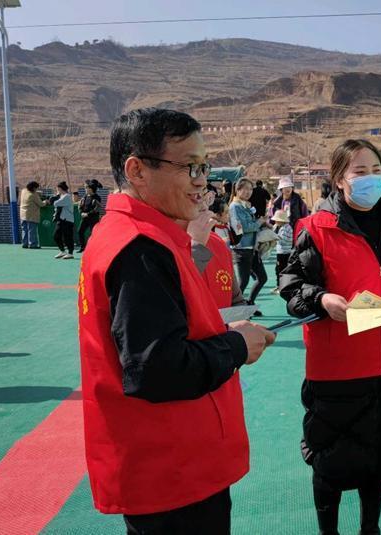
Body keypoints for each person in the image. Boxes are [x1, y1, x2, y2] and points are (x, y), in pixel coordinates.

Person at [78, 107, 275, 533]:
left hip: (176, 464)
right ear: (137, 170)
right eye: (188, 167)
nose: (202, 181)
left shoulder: (145, 237)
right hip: (172, 470)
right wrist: (236, 346)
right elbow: (157, 369)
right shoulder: (140, 248)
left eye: (203, 167)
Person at [279, 139, 381, 535]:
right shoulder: (315, 229)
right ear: (340, 179)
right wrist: (321, 298)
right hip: (337, 367)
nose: (371, 178)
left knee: (379, 455)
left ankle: (370, 528)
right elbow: (291, 287)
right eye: (360, 172)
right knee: (331, 459)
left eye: (376, 170)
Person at [229, 178, 268, 316]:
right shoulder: (235, 207)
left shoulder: (245, 205)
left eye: (250, 189)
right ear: (238, 190)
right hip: (241, 249)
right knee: (243, 282)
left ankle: (249, 304)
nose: (248, 192)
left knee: (262, 278)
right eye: (245, 189)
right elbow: (243, 228)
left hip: (252, 248)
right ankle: (234, 310)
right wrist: (259, 222)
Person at [49, 181, 76, 259]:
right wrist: (56, 197)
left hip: (67, 220)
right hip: (61, 220)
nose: (57, 190)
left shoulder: (67, 196)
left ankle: (70, 253)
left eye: (57, 189)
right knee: (56, 236)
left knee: (68, 237)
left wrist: (55, 198)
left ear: (60, 189)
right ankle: (62, 251)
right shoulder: (61, 196)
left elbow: (56, 203)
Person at [77, 179, 103, 252]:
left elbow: (97, 208)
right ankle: (82, 247)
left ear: (91, 189)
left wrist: (87, 214)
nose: (85, 189)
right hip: (84, 218)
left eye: (86, 188)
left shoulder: (97, 197)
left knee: (94, 234)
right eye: (85, 187)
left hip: (93, 219)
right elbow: (80, 206)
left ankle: (94, 248)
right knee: (80, 231)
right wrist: (81, 212)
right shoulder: (84, 197)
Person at [270, 209, 292, 294]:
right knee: (279, 269)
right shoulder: (283, 227)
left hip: (284, 253)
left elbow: (285, 240)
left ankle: (281, 287)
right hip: (282, 252)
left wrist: (275, 237)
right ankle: (280, 286)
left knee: (281, 270)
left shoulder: (285, 228)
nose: (275, 221)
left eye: (277, 220)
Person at [20, 181, 46, 249]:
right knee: (32, 230)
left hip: (23, 214)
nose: (37, 189)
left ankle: (24, 244)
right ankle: (33, 244)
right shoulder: (33, 195)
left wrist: (38, 193)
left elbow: (33, 192)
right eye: (36, 188)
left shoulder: (23, 191)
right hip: (31, 215)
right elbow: (41, 204)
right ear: (34, 188)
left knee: (24, 230)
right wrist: (45, 201)